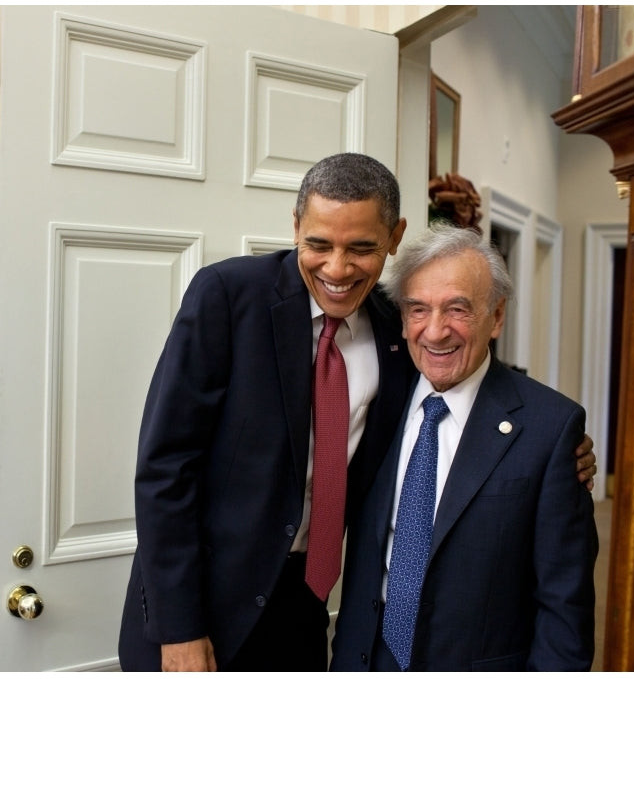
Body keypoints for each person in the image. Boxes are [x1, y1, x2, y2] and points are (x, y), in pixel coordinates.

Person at [118, 153, 597, 672]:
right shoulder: (228, 299)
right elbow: (165, 469)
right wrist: (181, 629)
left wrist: (548, 439)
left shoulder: (396, 328)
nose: (337, 268)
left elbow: (459, 365)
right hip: (198, 608)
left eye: (362, 248)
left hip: (304, 613)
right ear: (296, 225)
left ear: (395, 236)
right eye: (319, 244)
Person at [329, 224, 598, 671]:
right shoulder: (374, 401)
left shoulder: (551, 429)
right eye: (418, 309)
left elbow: (563, 608)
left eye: (457, 309)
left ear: (496, 316)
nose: (435, 332)